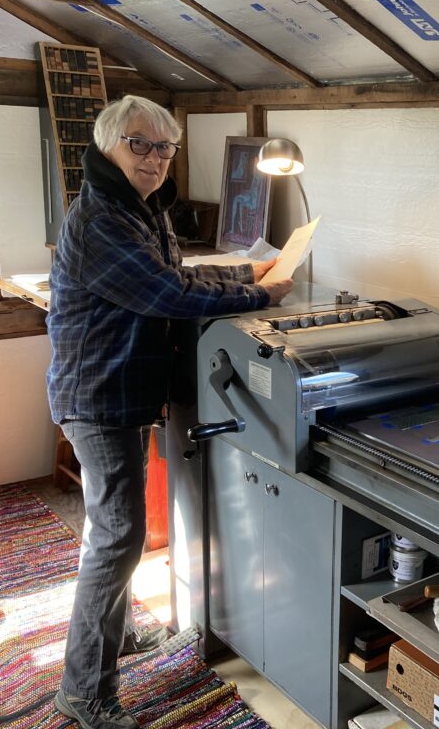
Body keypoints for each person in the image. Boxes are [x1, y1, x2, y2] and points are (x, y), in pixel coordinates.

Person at [46, 95, 292, 729]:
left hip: (121, 391)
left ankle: (118, 636)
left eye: (164, 148)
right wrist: (258, 292)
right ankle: (84, 692)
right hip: (99, 397)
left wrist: (245, 274)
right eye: (140, 145)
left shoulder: (139, 207)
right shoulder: (103, 218)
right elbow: (165, 292)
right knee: (118, 536)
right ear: (108, 147)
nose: (154, 159)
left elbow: (176, 274)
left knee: (113, 532)